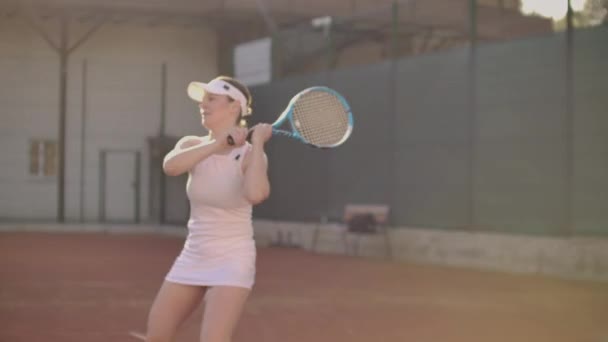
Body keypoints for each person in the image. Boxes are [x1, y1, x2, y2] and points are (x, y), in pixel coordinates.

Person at [146, 76, 272, 342]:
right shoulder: (193, 145)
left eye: (211, 99)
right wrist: (218, 144)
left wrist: (259, 144)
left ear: (234, 106)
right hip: (193, 255)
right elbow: (171, 166)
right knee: (157, 335)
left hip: (232, 259)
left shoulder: (250, 154)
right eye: (203, 100)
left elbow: (255, 194)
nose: (203, 104)